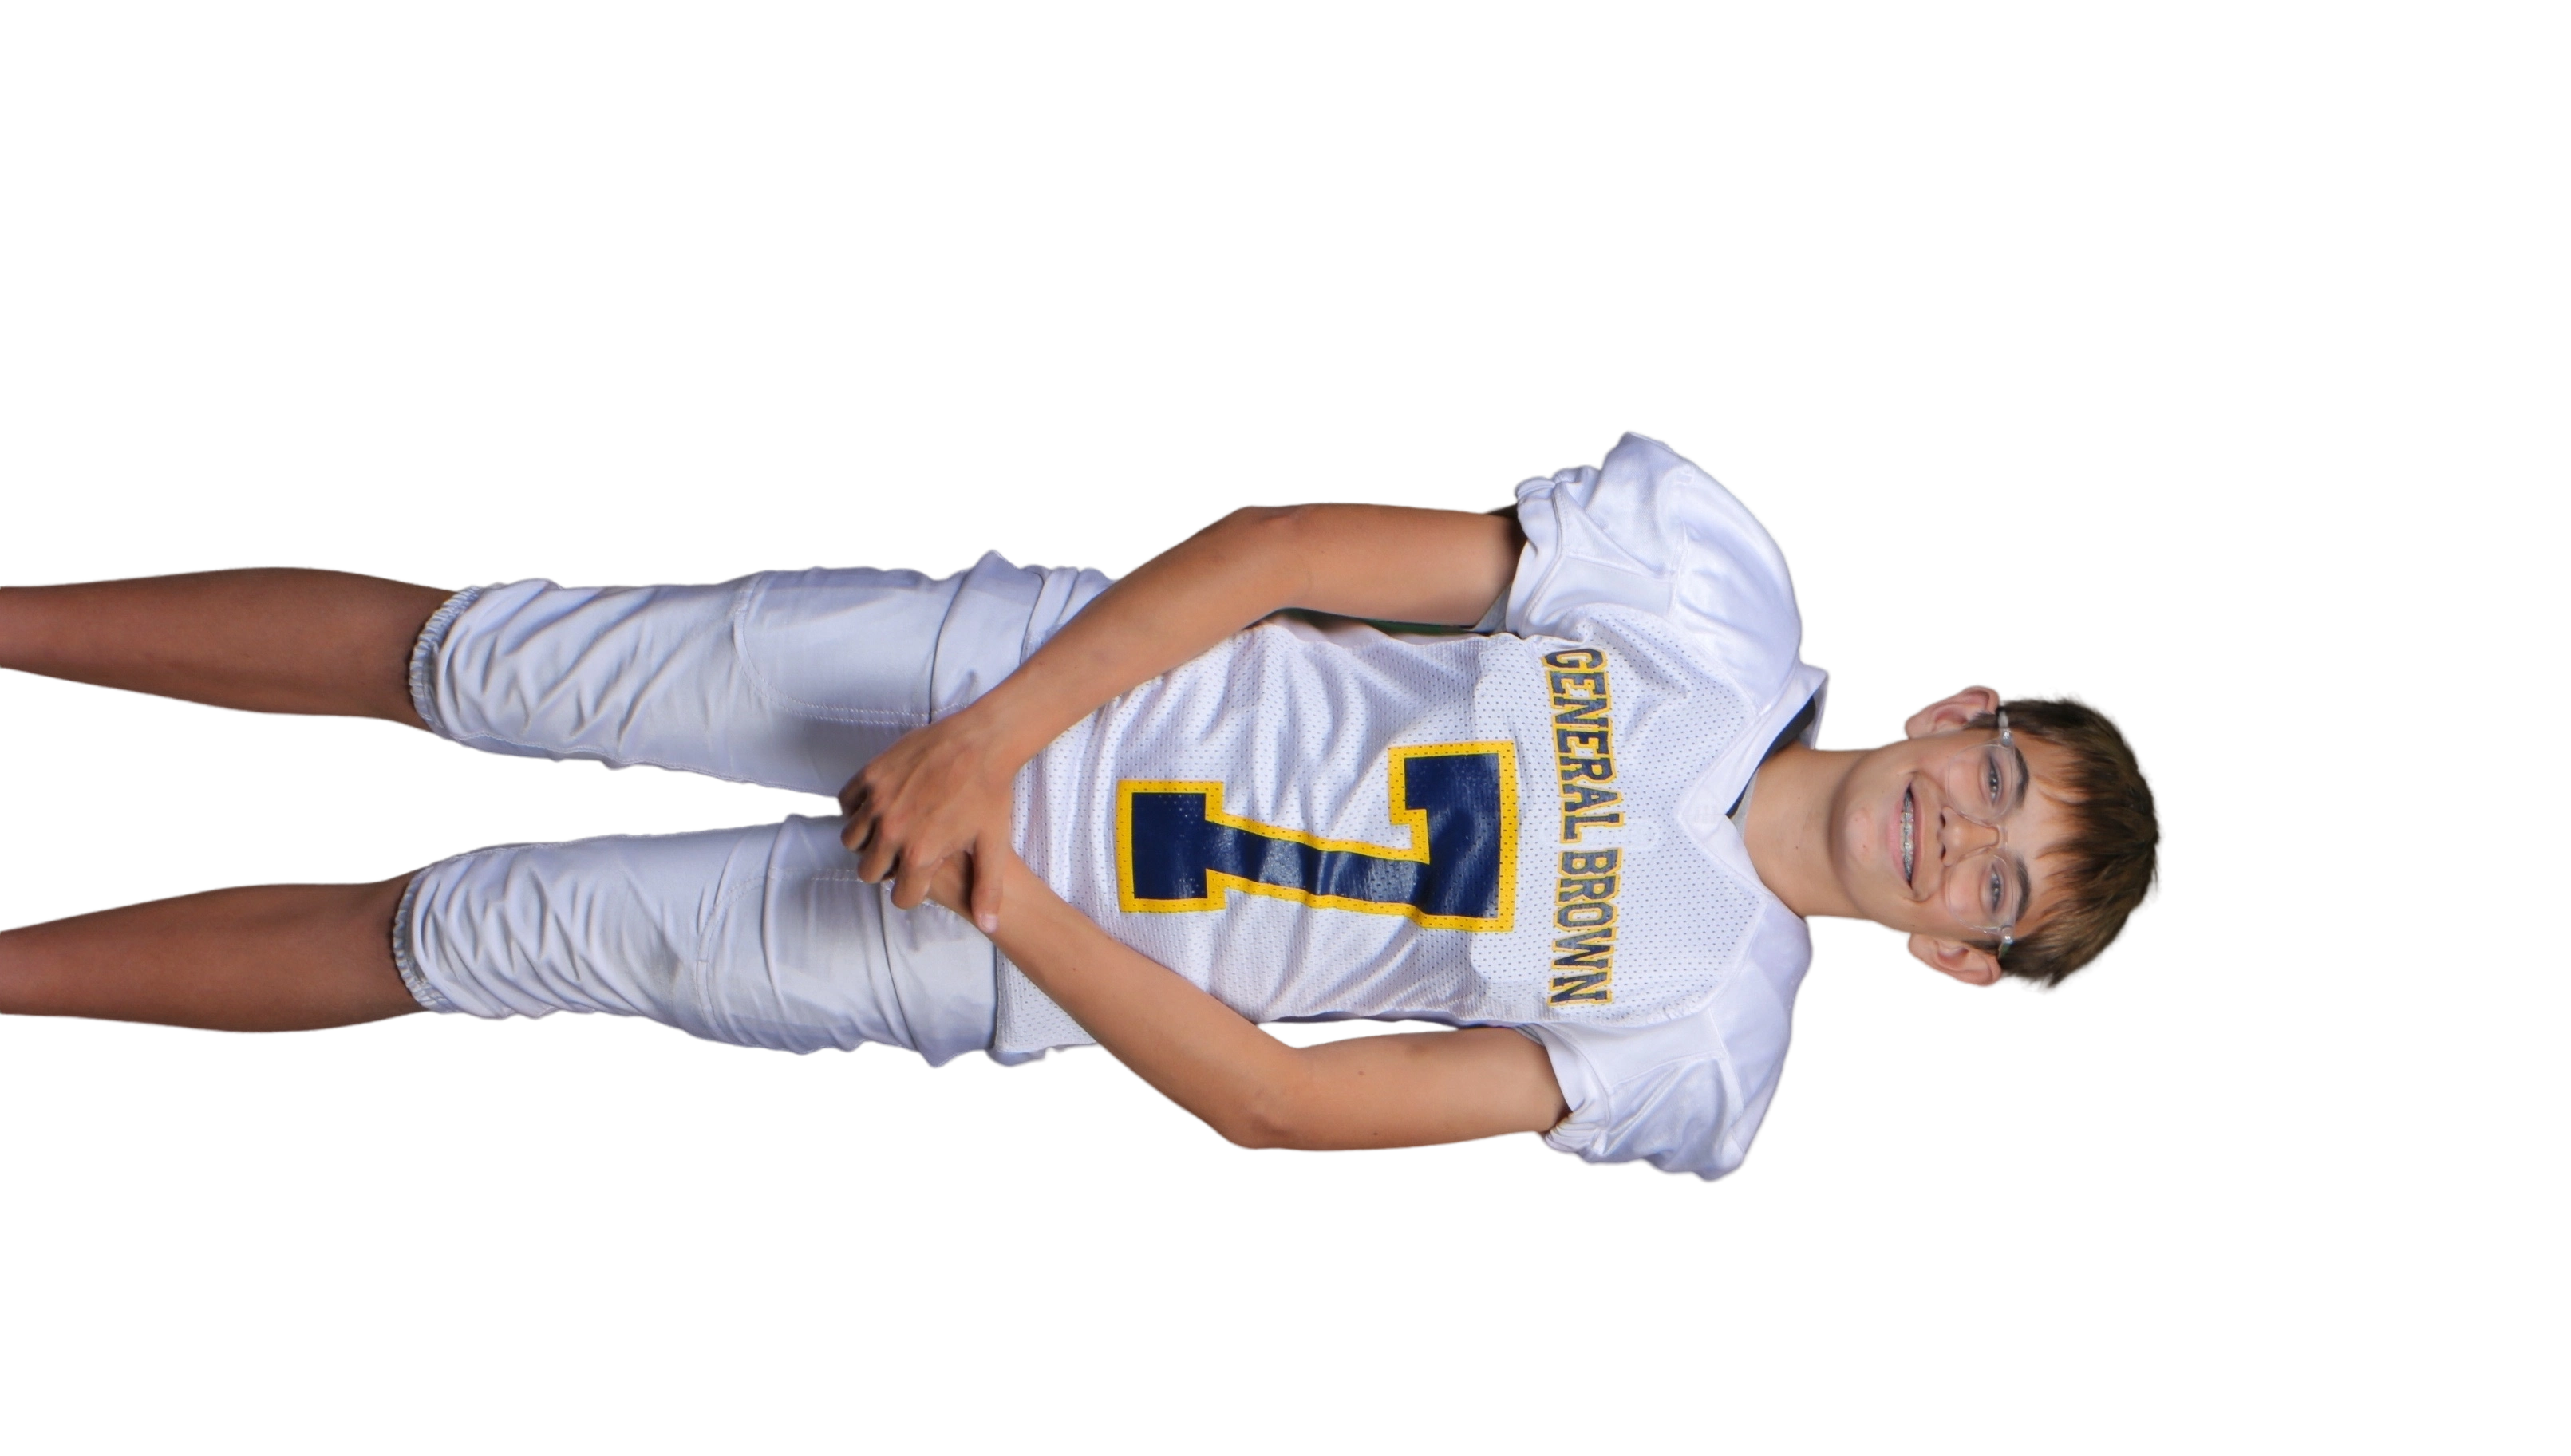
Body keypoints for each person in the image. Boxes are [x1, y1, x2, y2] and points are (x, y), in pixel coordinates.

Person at [0, 431, 2167, 1181]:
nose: (1955, 836)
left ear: (1959, 962)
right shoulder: (1712, 593)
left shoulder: (1705, 1048)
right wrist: (986, 744)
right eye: (1995, 782)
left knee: (472, 937)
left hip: (1004, 948)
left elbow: (1291, 1105)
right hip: (1007, 677)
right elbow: (1285, 547)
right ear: (1958, 707)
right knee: (488, 662)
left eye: (1997, 887)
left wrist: (1010, 900)